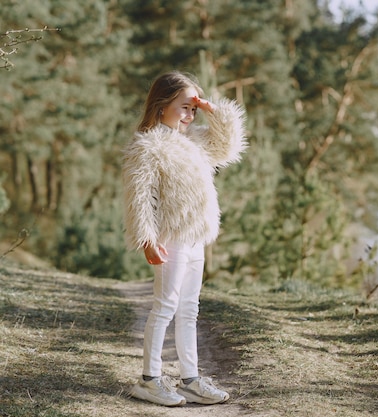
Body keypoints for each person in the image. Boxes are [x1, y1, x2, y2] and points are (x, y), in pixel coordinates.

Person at [122, 71, 247, 406]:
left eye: (193, 108)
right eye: (184, 107)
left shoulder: (196, 141)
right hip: (170, 237)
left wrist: (212, 109)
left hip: (195, 238)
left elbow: (229, 145)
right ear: (162, 106)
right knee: (165, 306)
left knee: (190, 308)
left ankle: (190, 379)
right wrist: (147, 239)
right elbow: (140, 196)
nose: (190, 115)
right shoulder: (148, 144)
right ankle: (150, 380)